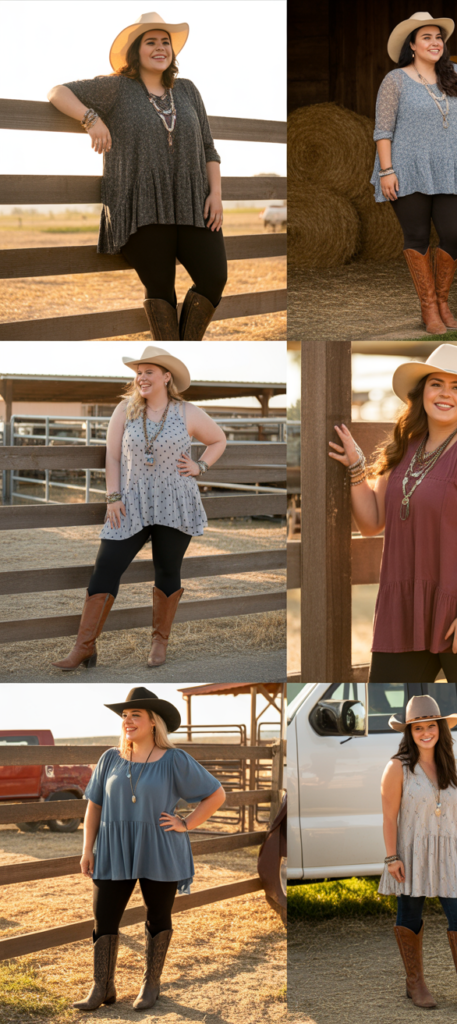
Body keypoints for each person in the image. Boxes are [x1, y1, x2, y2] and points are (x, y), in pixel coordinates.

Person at [328, 344, 457, 682]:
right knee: (385, 695)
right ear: (421, 392)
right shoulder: (405, 446)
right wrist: (355, 467)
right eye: (436, 383)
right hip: (411, 604)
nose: (445, 394)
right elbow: (371, 522)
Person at [48, 12, 227, 341]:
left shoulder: (188, 91)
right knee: (161, 286)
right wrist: (91, 119)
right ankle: (173, 353)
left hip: (192, 201)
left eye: (165, 42)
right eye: (151, 42)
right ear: (136, 51)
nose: (160, 48)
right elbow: (57, 92)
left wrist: (215, 193)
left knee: (214, 277)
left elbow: (208, 148)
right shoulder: (116, 88)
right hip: (140, 202)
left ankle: (182, 350)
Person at [53, 346, 226, 671]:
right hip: (130, 502)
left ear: (166, 376)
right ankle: (84, 647)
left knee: (167, 571)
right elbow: (113, 456)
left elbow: (219, 440)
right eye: (139, 372)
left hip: (175, 501)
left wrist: (200, 466)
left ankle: (159, 644)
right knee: (106, 565)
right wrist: (113, 496)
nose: (142, 377)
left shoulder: (187, 412)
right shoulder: (125, 410)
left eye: (149, 371)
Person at [74, 686, 226, 1012]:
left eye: (135, 715)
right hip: (114, 848)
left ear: (153, 722)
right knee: (104, 917)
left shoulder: (175, 759)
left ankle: (151, 983)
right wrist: (88, 848)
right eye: (125, 716)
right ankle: (103, 986)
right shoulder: (109, 758)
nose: (128, 721)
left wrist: (186, 823)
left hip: (160, 848)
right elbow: (94, 806)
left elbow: (216, 794)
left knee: (158, 916)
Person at [371, 12, 457, 334]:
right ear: (412, 45)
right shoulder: (395, 80)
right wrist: (387, 170)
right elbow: (382, 130)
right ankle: (429, 309)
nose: (435, 43)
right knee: (417, 236)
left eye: (439, 38)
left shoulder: (456, 73)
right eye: (427, 38)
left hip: (451, 166)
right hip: (407, 168)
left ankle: (443, 302)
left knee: (455, 234)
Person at [380, 694, 457, 1014]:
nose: (426, 732)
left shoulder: (449, 764)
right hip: (413, 852)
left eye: (431, 726)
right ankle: (414, 983)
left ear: (441, 729)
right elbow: (389, 816)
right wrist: (392, 858)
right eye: (418, 728)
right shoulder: (396, 767)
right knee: (410, 915)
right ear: (409, 733)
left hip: (451, 852)